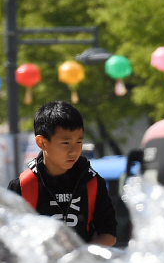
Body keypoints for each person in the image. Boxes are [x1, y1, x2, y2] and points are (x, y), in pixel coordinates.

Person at [8, 101, 117, 246]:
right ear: (42, 142)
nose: (74, 151)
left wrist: (81, 257)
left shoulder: (93, 182)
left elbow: (109, 234)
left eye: (79, 142)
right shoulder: (22, 186)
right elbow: (10, 238)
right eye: (66, 143)